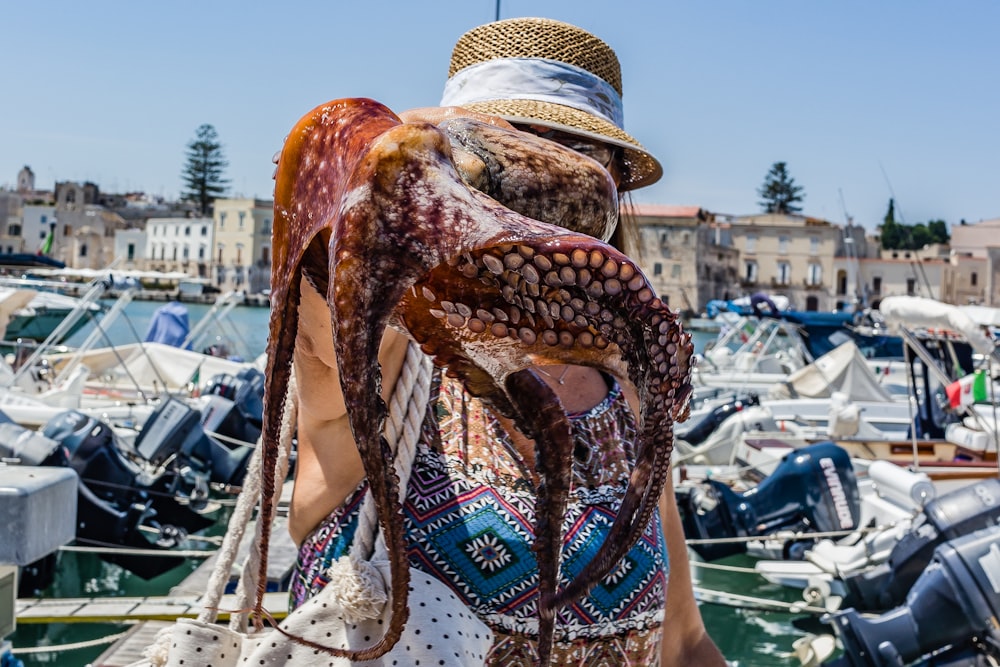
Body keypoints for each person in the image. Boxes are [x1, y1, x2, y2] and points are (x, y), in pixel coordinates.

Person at [287, 16, 725, 666]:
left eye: (574, 161)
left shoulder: (631, 399)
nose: (535, 192)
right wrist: (423, 144)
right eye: (516, 156)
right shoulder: (393, 357)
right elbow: (323, 265)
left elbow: (683, 643)